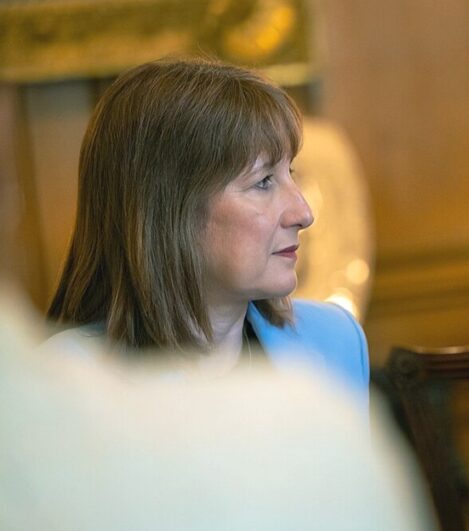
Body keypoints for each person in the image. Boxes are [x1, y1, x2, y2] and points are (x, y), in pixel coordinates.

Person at [44, 58, 369, 406]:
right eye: (263, 182)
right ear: (168, 211)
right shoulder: (61, 383)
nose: (303, 213)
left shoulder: (337, 341)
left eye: (291, 173)